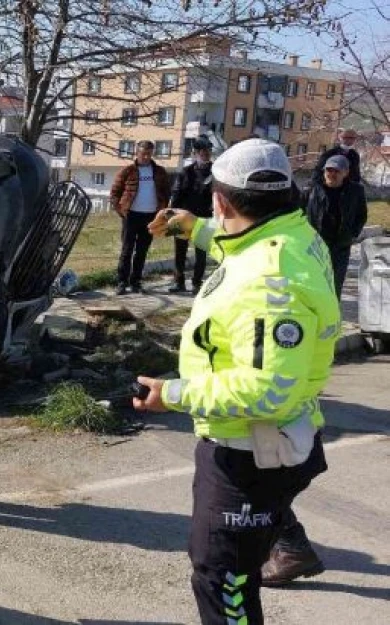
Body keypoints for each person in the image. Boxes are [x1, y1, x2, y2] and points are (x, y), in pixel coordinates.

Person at [136, 139, 338, 625]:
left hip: (249, 449)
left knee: (223, 577)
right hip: (276, 440)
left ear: (223, 201)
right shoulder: (293, 234)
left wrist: (174, 394)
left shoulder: (268, 278)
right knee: (232, 570)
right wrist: (195, 229)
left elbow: (267, 391)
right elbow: (246, 243)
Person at [301, 154, 368, 300]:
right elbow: (298, 213)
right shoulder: (311, 189)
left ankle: (331, 317)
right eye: (329, 170)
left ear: (346, 173)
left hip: (340, 246)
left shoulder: (356, 191)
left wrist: (351, 235)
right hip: (314, 245)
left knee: (334, 285)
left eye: (336, 171)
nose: (332, 174)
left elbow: (361, 216)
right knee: (311, 282)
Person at [110, 140, 172, 295]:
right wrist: (121, 211)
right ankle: (121, 282)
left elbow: (166, 192)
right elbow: (115, 193)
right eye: (143, 153)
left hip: (151, 216)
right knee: (127, 250)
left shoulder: (159, 172)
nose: (145, 157)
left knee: (142, 251)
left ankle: (136, 282)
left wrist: (162, 210)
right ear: (137, 153)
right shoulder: (127, 171)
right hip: (131, 216)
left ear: (152, 154)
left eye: (149, 154)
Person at [167, 140, 214, 295]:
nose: (205, 155)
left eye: (208, 152)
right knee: (179, 251)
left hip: (204, 218)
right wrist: (171, 214)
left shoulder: (216, 173)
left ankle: (197, 283)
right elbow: (176, 193)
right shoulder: (185, 172)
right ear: (195, 153)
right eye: (202, 152)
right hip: (183, 216)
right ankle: (178, 281)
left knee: (201, 252)